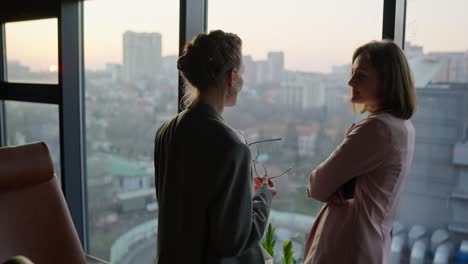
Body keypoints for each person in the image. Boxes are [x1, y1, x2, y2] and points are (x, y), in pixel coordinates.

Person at [154, 30, 277, 264]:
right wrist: (264, 197)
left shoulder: (166, 131)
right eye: (242, 73)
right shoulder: (233, 147)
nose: (242, 80)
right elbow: (234, 241)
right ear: (231, 77)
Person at [303, 40, 417, 264]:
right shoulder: (403, 127)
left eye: (361, 75)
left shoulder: (377, 129)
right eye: (352, 73)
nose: (350, 81)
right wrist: (343, 186)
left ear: (387, 81)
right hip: (370, 243)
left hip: (347, 246)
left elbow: (317, 185)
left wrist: (334, 186)